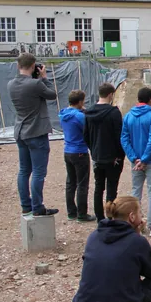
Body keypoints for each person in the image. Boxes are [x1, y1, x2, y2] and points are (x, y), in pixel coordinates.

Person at [8, 53, 58, 216]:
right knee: (38, 172)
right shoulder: (35, 84)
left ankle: (26, 205)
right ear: (33, 66)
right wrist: (44, 77)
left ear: (18, 66)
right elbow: (52, 94)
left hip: (20, 131)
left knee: (24, 170)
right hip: (36, 131)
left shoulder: (11, 84)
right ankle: (38, 207)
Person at [121, 87, 151, 237]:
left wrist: (134, 157)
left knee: (136, 192)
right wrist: (145, 158)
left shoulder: (128, 116)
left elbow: (124, 138)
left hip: (135, 160)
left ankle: (134, 224)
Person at [84, 83, 125, 222]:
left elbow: (86, 136)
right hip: (113, 157)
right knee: (111, 188)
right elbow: (119, 136)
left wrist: (93, 151)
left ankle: (100, 217)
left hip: (97, 156)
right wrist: (120, 155)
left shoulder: (88, 112)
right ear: (110, 95)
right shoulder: (114, 113)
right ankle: (110, 216)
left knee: (98, 187)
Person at [60, 90, 95, 222]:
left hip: (68, 150)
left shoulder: (63, 114)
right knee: (82, 184)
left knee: (70, 182)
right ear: (80, 102)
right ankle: (82, 213)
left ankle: (71, 212)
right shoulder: (80, 116)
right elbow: (88, 127)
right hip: (80, 151)